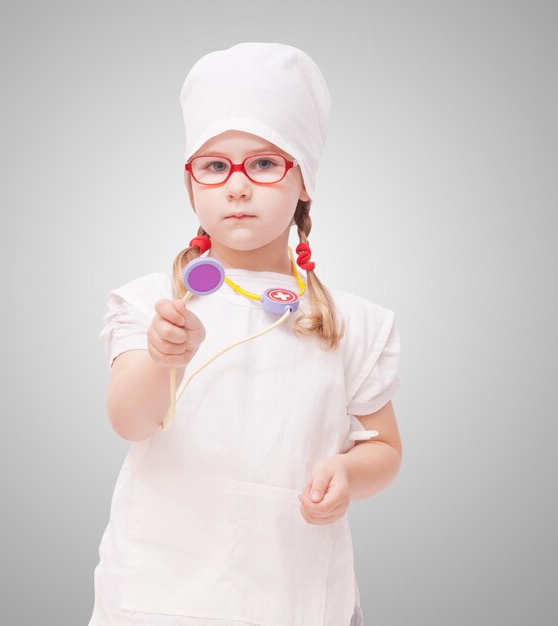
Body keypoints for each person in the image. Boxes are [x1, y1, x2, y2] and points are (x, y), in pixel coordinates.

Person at [88, 42, 402, 626]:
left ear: (303, 180)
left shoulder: (354, 323)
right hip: (161, 591)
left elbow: (385, 450)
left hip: (297, 591)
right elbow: (129, 422)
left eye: (263, 164)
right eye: (214, 166)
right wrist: (162, 360)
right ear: (191, 187)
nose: (237, 186)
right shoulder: (151, 302)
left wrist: (349, 473)